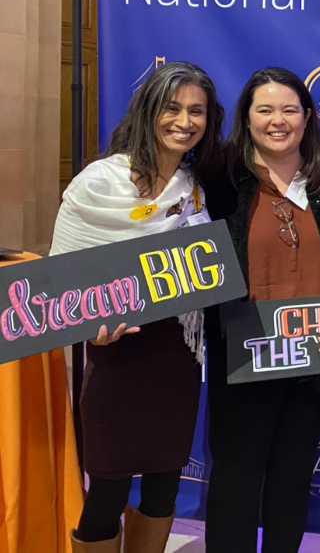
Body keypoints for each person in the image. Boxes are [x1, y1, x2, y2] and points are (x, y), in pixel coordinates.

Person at [52, 61, 224, 553]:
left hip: (177, 356)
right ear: (149, 110)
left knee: (165, 481)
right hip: (118, 355)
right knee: (106, 486)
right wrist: (88, 326)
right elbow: (64, 278)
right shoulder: (98, 183)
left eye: (197, 111)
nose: (184, 121)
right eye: (172, 108)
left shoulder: (196, 184)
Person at [203, 67, 320, 553]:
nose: (278, 121)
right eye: (264, 110)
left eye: (289, 110)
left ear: (307, 118)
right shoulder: (219, 178)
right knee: (236, 476)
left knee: (292, 475)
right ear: (246, 118)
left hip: (312, 353)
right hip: (243, 353)